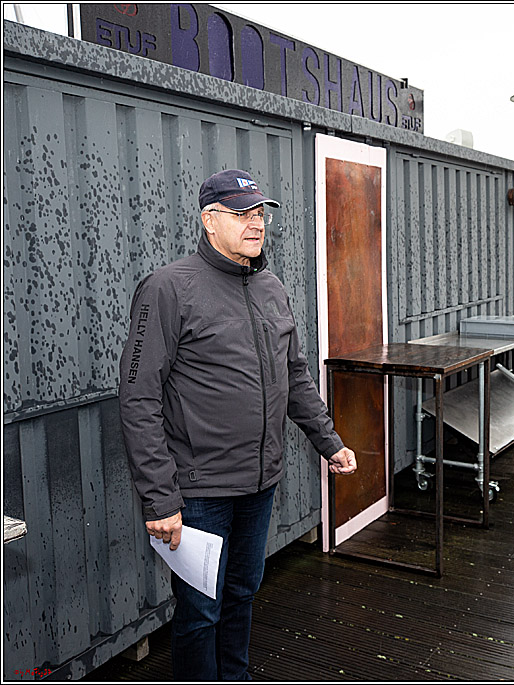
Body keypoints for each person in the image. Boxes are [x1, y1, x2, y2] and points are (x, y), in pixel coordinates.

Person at [118, 169, 357, 680]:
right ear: (209, 220)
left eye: (260, 212)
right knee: (200, 612)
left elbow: (294, 377)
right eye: (241, 213)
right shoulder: (167, 289)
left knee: (243, 594)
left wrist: (328, 441)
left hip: (260, 483)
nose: (255, 223)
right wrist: (160, 497)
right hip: (199, 490)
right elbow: (139, 399)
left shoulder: (271, 288)